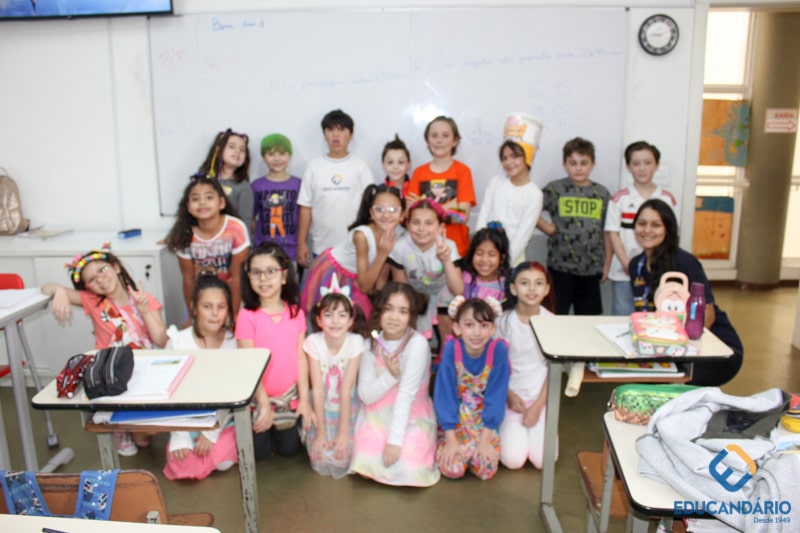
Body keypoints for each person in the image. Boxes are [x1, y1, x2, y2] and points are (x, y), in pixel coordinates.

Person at [43, 244, 167, 456]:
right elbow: (46, 287)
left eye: (102, 270)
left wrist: (145, 311)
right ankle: (117, 423)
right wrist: (60, 292)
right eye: (91, 279)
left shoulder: (142, 298)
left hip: (141, 368)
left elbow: (161, 340)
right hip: (110, 371)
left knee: (146, 438)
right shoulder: (92, 301)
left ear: (116, 267)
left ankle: (126, 423)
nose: (99, 279)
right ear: (87, 287)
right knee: (139, 434)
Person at [628, 199, 743, 386]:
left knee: (666, 386)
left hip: (714, 347)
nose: (647, 230)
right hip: (665, 343)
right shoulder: (636, 265)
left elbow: (708, 314)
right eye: (642, 223)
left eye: (656, 225)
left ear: (668, 229)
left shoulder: (685, 263)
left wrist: (678, 349)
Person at [350, 282, 441, 487]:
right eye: (389, 309)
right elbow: (366, 395)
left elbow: (406, 395)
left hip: (411, 415)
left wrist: (395, 441)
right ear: (379, 311)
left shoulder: (417, 344)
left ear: (411, 315)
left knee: (410, 471)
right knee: (366, 465)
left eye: (402, 311)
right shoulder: (370, 344)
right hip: (376, 414)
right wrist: (390, 376)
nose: (394, 317)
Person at [235, 242, 309, 459]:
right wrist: (264, 403)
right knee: (259, 454)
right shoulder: (247, 316)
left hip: (288, 399)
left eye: (271, 271)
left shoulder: (296, 312)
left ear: (284, 276)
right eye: (256, 273)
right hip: (259, 398)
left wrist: (304, 400)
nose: (263, 279)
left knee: (289, 450)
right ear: (248, 277)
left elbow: (300, 357)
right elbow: (250, 365)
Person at [162, 275, 239, 480]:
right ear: (194, 307)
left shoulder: (233, 343)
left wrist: (211, 432)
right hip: (186, 419)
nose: (215, 314)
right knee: (183, 464)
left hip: (223, 419)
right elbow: (169, 395)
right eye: (207, 306)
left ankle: (222, 445)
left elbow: (233, 393)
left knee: (222, 463)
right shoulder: (177, 343)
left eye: (221, 307)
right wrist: (180, 436)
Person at [300, 184, 404, 320]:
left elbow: (382, 272)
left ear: (402, 214)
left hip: (362, 276)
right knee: (334, 315)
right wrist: (382, 254)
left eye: (393, 210)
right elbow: (364, 287)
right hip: (335, 273)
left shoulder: (398, 233)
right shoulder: (361, 236)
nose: (386, 215)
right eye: (379, 209)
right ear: (371, 213)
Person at [433, 297, 510, 480]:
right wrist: (451, 440)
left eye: (484, 326)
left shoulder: (498, 350)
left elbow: (497, 396)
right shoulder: (452, 349)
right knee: (453, 469)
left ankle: (481, 445)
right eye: (469, 325)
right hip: (455, 421)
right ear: (457, 328)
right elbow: (444, 395)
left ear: (493, 329)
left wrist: (485, 441)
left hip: (484, 423)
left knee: (485, 469)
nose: (477, 332)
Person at [537, 137, 610, 315]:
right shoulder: (555, 189)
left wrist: (607, 264)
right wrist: (546, 227)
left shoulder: (601, 193)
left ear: (592, 165)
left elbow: (607, 231)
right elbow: (529, 208)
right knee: (555, 314)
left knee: (587, 319)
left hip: (591, 267)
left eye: (584, 163)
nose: (578, 168)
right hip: (560, 267)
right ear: (564, 164)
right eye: (573, 163)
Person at [606, 141, 677, 315]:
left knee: (655, 317)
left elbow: (670, 234)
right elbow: (613, 233)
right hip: (623, 272)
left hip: (657, 272)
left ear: (657, 165)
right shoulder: (619, 199)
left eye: (648, 163)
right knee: (622, 317)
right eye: (636, 164)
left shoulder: (667, 199)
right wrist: (627, 264)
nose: (642, 168)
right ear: (628, 167)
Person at [297, 109, 375, 268]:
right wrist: (301, 242)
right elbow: (306, 207)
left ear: (351, 135)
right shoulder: (314, 166)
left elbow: (371, 207)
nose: (335, 135)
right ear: (324, 134)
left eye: (341, 129)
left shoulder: (361, 166)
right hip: (321, 247)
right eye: (330, 130)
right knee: (322, 284)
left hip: (354, 246)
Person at [497, 262, 557, 470]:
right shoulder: (502, 322)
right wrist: (508, 395)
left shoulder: (552, 322)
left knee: (543, 461)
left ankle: (540, 426)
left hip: (540, 400)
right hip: (510, 400)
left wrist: (538, 406)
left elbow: (554, 371)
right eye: (524, 283)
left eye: (538, 283)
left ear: (546, 289)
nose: (532, 288)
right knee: (513, 461)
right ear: (513, 288)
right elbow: (494, 366)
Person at [165, 177, 251, 318]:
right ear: (188, 207)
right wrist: (193, 315)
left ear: (221, 203)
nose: (202, 203)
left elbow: (238, 277)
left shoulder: (236, 228)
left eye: (209, 197)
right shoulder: (184, 233)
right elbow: (188, 279)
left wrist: (234, 314)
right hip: (201, 296)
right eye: (195, 199)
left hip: (231, 294)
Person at [304, 292, 366, 478]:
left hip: (347, 408)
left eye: (342, 315)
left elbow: (346, 391)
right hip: (321, 406)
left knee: (343, 456)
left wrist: (343, 434)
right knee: (320, 456)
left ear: (350, 321)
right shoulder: (313, 342)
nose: (335, 321)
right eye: (329, 315)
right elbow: (317, 389)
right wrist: (321, 434)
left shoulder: (355, 342)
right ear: (319, 320)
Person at [389, 198, 463, 340]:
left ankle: (447, 348)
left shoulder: (449, 246)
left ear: (440, 227)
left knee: (448, 313)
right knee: (405, 312)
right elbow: (401, 287)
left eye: (429, 223)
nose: (422, 229)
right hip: (415, 293)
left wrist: (446, 260)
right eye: (416, 222)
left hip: (443, 292)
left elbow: (458, 290)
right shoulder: (400, 247)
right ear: (407, 224)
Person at [407, 116, 476, 257]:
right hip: (423, 248)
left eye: (445, 136)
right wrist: (449, 208)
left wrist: (425, 207)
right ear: (427, 140)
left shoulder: (463, 171)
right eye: (434, 136)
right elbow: (411, 214)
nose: (439, 140)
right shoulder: (419, 173)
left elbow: (462, 216)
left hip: (456, 248)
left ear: (455, 140)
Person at [476, 140, 543, 265]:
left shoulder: (534, 194)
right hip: (485, 255)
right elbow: (483, 216)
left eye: (514, 156)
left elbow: (523, 235)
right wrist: (479, 248)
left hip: (512, 258)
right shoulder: (496, 182)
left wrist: (505, 262)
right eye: (504, 158)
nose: (508, 162)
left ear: (527, 157)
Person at [251, 133, 302, 264]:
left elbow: (304, 217)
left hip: (292, 251)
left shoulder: (299, 185)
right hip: (263, 251)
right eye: (271, 154)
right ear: (264, 157)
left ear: (290, 156)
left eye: (282, 153)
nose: (277, 158)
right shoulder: (256, 186)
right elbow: (251, 217)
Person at [194, 128, 254, 231]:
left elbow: (245, 223)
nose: (237, 152)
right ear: (219, 150)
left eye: (242, 150)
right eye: (231, 147)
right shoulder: (202, 181)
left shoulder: (243, 187)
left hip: (230, 238)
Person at [461, 225, 511, 303]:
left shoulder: (507, 285)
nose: (484, 260)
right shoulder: (464, 278)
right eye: (479, 253)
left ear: (502, 258)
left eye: (492, 254)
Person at [381, 134, 412, 199]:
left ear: (408, 164)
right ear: (383, 164)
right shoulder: (378, 192)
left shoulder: (415, 190)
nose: (395, 167)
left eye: (400, 162)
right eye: (390, 162)